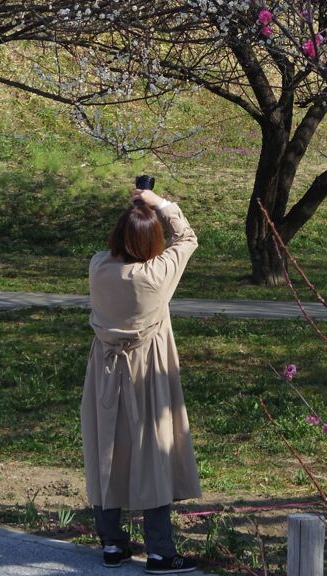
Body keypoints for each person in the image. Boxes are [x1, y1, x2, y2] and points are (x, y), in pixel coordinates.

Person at [80, 187, 202, 572]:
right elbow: (188, 238)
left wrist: (133, 212)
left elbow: (118, 248)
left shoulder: (99, 267)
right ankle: (160, 551)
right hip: (147, 371)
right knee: (153, 452)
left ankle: (113, 544)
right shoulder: (155, 276)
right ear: (152, 242)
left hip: (105, 372)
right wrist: (159, 204)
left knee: (106, 450)